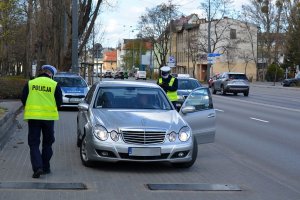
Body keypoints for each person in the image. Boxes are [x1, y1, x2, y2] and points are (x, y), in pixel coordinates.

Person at [21, 65, 62, 178]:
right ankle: (46, 167)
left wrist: (29, 107)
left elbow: (23, 98)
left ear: (42, 72)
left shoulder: (31, 83)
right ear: (51, 74)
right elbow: (59, 102)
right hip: (49, 119)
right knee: (47, 143)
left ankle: (37, 168)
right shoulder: (54, 85)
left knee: (34, 143)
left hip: (33, 117)